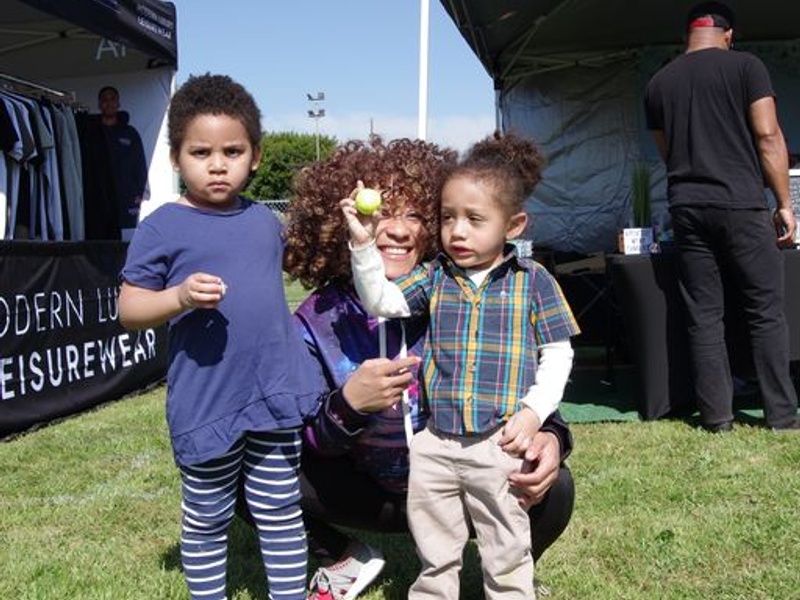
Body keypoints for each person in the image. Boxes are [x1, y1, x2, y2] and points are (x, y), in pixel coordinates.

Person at [279, 136, 577, 600]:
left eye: (416, 214)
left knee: (556, 487)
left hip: (470, 470)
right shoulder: (318, 319)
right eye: (383, 212)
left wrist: (552, 434)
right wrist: (349, 405)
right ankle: (343, 557)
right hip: (369, 491)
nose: (398, 229)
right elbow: (301, 438)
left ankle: (503, 577)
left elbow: (528, 372)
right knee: (245, 470)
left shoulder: (465, 289)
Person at [118, 74, 323, 600]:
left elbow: (308, 266)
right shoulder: (162, 226)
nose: (217, 164)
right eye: (200, 152)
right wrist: (180, 296)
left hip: (273, 391)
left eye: (232, 151)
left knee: (280, 509)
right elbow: (130, 309)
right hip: (208, 399)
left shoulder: (266, 221)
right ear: (175, 158)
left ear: (255, 156)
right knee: (207, 517)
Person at [644, 1, 800, 432]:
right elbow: (767, 135)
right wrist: (784, 203)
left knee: (704, 315)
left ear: (687, 35)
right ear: (729, 35)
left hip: (687, 206)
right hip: (741, 203)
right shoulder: (747, 66)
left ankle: (716, 418)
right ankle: (781, 416)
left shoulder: (658, 83)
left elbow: (667, 152)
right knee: (765, 310)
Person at [98, 85, 149, 240]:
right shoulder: (93, 133)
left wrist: (139, 192)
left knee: (127, 239)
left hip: (126, 196)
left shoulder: (130, 133)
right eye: (105, 100)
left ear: (118, 103)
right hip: (100, 196)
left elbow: (140, 164)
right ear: (99, 104)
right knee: (101, 238)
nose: (109, 103)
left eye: (112, 99)